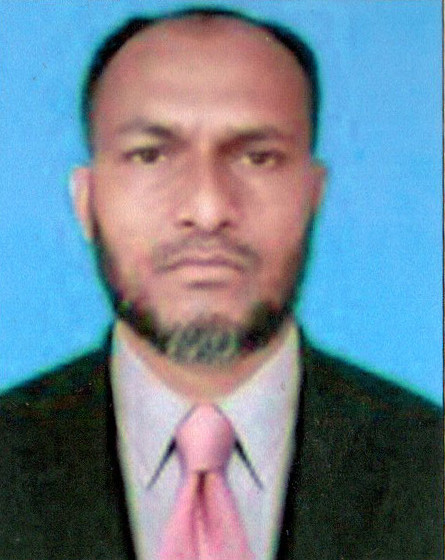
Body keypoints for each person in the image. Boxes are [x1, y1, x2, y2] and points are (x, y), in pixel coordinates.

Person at [0, 7, 442, 560]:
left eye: (259, 158)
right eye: (150, 155)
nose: (208, 210)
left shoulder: (430, 465)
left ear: (314, 195)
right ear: (86, 200)